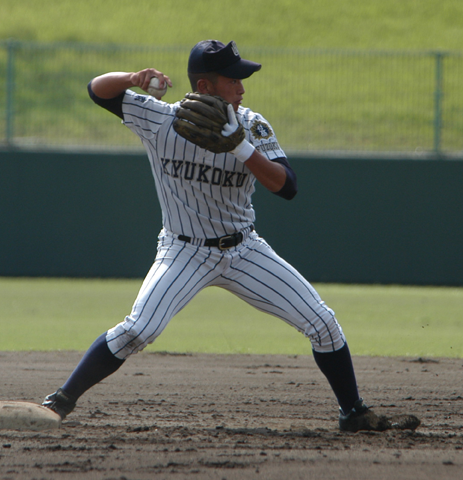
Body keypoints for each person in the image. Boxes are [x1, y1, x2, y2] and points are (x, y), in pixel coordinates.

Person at [41, 40, 400, 432]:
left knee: (323, 323)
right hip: (183, 250)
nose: (243, 88)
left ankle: (353, 412)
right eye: (234, 80)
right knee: (138, 330)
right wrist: (133, 77)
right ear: (206, 87)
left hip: (244, 250)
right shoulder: (161, 119)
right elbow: (97, 90)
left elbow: (287, 187)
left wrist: (242, 148)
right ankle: (58, 402)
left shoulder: (251, 125)